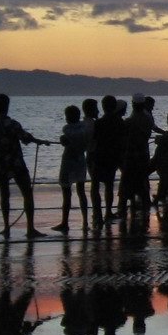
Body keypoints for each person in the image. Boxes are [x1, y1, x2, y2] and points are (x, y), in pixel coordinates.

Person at [0, 93, 54, 238]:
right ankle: (30, 228)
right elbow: (25, 137)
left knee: (4, 195)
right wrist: (39, 141)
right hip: (15, 163)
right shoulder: (12, 124)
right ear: (7, 106)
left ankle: (7, 227)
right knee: (27, 193)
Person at [53, 105, 90, 234]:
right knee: (81, 191)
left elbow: (67, 140)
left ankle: (65, 222)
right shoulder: (84, 128)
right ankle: (85, 221)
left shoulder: (67, 129)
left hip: (68, 161)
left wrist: (64, 140)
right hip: (80, 160)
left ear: (68, 117)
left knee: (67, 193)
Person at [89, 95, 125, 224]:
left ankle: (97, 213)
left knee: (95, 185)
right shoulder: (120, 122)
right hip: (113, 156)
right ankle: (108, 212)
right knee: (109, 185)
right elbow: (122, 141)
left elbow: (94, 140)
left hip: (99, 155)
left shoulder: (98, 123)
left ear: (103, 107)